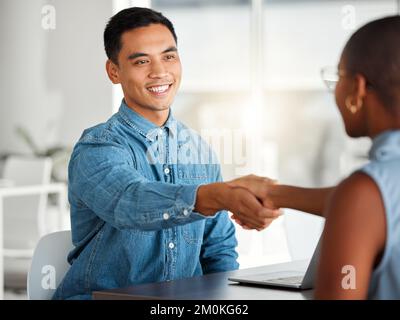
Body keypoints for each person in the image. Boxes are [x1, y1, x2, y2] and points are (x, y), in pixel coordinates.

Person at [53, 7, 279, 300]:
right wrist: (215, 196)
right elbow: (132, 202)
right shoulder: (97, 148)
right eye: (142, 61)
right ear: (114, 72)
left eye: (169, 56)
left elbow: (219, 249)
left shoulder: (198, 149)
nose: (160, 72)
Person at [231, 16, 400, 299]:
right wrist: (275, 194)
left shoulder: (364, 194)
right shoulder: (373, 192)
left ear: (356, 89)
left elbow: (365, 203)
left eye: (337, 77)